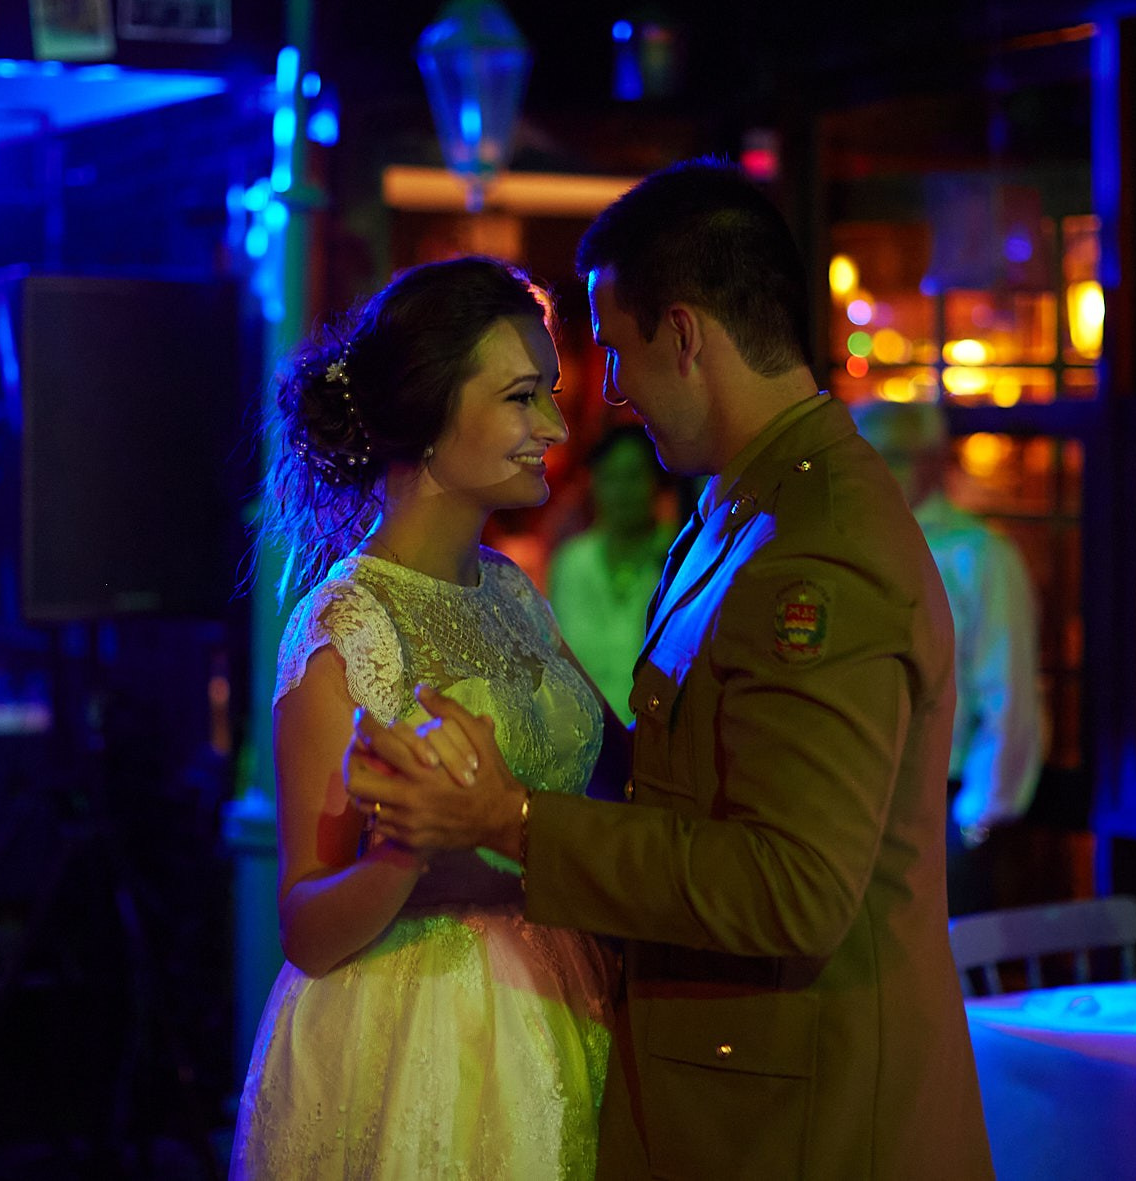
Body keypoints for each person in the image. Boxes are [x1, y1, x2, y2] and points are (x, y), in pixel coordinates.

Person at [348, 159, 993, 1178]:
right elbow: (688, 778)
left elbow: (792, 889)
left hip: (799, 1123)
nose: (604, 394)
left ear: (683, 335)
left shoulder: (815, 549)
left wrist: (509, 822)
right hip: (728, 1092)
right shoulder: (738, 506)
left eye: (613, 351)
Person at [231, 256, 616, 1179]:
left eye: (551, 395)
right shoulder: (349, 626)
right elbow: (306, 923)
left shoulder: (514, 590)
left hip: (565, 995)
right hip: (424, 1035)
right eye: (524, 397)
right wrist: (406, 851)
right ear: (430, 415)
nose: (555, 428)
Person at [855, 399, 1047, 915]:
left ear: (933, 462)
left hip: (938, 803)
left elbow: (1008, 696)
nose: (877, 471)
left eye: (893, 457)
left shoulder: (979, 556)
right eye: (865, 456)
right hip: (852, 799)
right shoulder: (846, 546)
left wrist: (977, 819)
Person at [547, 426, 671, 720]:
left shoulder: (677, 558)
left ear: (657, 481)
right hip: (583, 740)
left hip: (654, 743)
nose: (621, 491)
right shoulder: (572, 562)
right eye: (609, 477)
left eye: (633, 476)